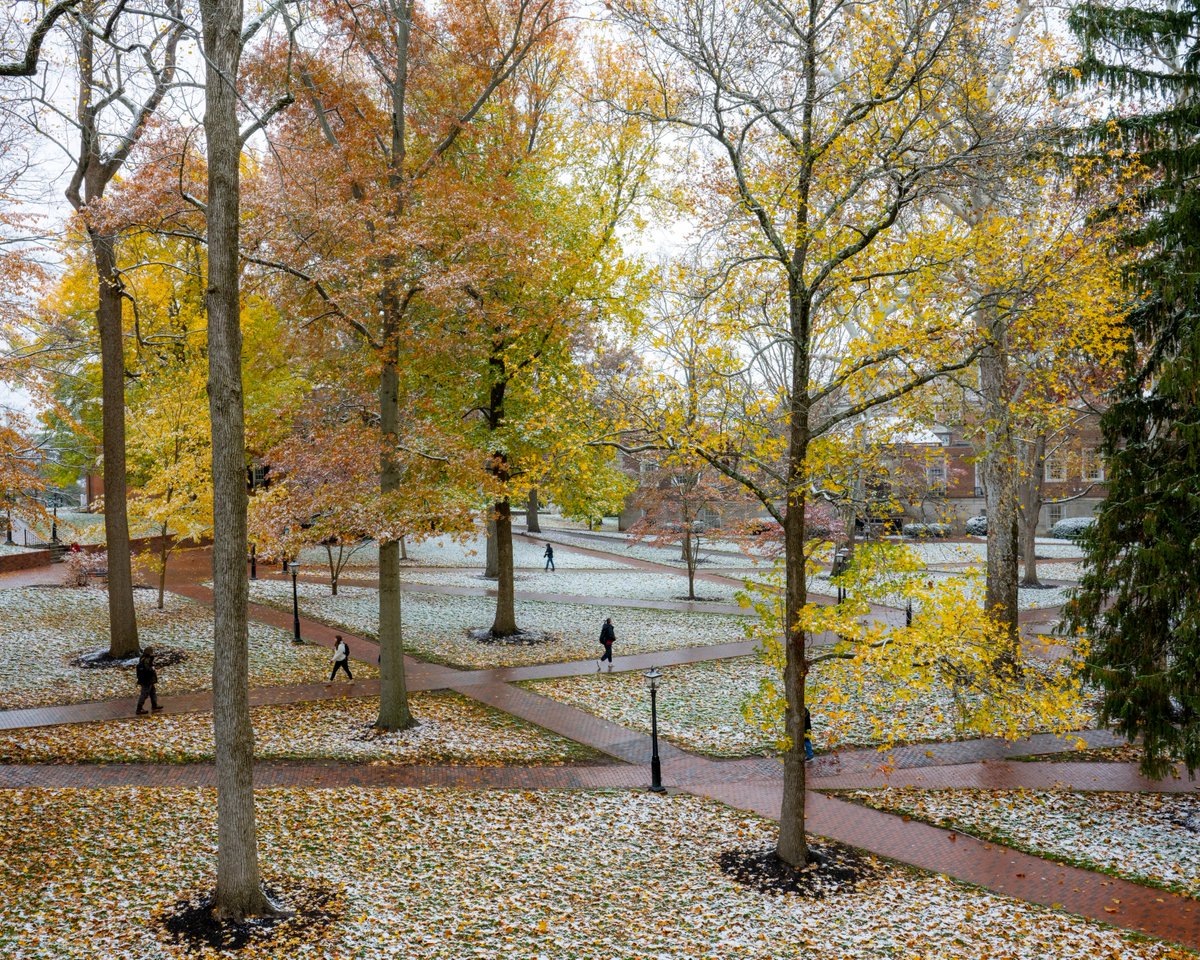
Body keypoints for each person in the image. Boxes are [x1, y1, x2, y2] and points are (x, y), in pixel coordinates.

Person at [135, 647, 162, 715]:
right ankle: (139, 709)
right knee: (144, 694)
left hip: (147, 680)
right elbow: (148, 670)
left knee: (152, 692)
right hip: (147, 680)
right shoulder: (146, 659)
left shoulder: (143, 658)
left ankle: (154, 705)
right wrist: (152, 669)